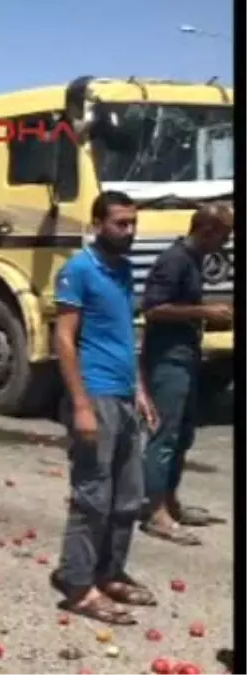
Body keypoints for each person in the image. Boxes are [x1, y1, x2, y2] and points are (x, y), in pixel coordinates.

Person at [50, 190, 159, 626]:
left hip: (123, 395)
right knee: (92, 497)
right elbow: (63, 339)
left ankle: (109, 572)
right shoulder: (79, 270)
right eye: (120, 224)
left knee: (129, 496)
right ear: (97, 224)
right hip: (94, 394)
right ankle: (78, 586)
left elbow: (123, 335)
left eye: (133, 223)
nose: (129, 231)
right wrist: (81, 405)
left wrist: (141, 389)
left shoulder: (124, 270)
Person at [138, 204, 233, 546]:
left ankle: (170, 500)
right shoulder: (174, 260)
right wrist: (203, 310)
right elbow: (153, 308)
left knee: (183, 434)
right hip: (167, 360)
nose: (227, 242)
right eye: (225, 234)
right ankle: (155, 512)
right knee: (164, 436)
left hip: (186, 356)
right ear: (207, 230)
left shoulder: (193, 259)